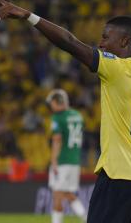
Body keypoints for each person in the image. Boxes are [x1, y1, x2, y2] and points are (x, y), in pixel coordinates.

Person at [0, 0, 131, 223]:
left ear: (124, 41)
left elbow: (70, 42)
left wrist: (28, 16)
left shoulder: (116, 67)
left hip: (119, 176)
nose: (100, 43)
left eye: (106, 37)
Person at [46, 89, 86, 223]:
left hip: (62, 161)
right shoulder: (78, 115)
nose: (51, 106)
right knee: (67, 194)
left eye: (52, 103)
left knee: (57, 194)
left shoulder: (57, 117)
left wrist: (54, 161)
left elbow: (57, 139)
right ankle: (86, 218)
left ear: (58, 102)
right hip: (75, 160)